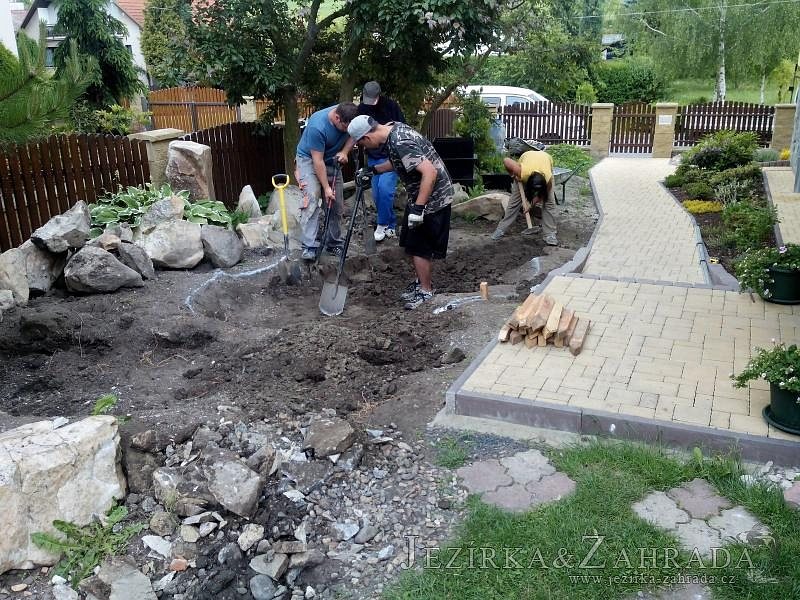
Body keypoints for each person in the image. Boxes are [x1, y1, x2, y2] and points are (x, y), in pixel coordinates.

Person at [347, 115, 453, 310]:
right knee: (410, 243)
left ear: (367, 137)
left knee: (420, 247)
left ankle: (426, 291)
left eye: (362, 144)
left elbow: (430, 172)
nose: (365, 148)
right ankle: (421, 282)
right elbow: (401, 161)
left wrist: (419, 209)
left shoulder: (399, 140)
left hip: (433, 198)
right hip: (420, 196)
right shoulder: (393, 129)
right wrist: (373, 170)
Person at [295, 102, 359, 260]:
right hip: (309, 159)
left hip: (332, 159)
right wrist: (326, 188)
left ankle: (333, 243)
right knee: (312, 197)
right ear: (337, 118)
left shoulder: (349, 114)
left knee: (336, 203)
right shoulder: (318, 126)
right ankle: (309, 246)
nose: (347, 131)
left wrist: (344, 151)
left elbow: (355, 135)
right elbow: (318, 161)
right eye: (345, 127)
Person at [357, 81, 406, 242]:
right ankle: (391, 226)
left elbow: (401, 127)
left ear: (378, 95)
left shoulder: (391, 106)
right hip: (373, 157)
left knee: (385, 189)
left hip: (390, 156)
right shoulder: (362, 108)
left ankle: (382, 224)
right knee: (377, 194)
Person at [491, 150, 558, 246]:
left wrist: (531, 204)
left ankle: (550, 234)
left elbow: (542, 195)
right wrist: (513, 175)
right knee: (514, 202)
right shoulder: (522, 172)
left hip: (545, 158)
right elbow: (506, 160)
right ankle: (501, 229)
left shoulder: (548, 179)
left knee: (549, 203)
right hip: (526, 160)